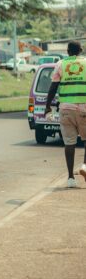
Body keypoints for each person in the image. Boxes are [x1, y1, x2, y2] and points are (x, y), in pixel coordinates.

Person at [45, 41, 86, 188]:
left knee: (69, 143)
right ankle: (84, 166)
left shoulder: (60, 64)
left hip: (66, 109)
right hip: (84, 109)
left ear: (68, 51)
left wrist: (47, 107)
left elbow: (53, 87)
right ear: (81, 50)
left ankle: (70, 178)